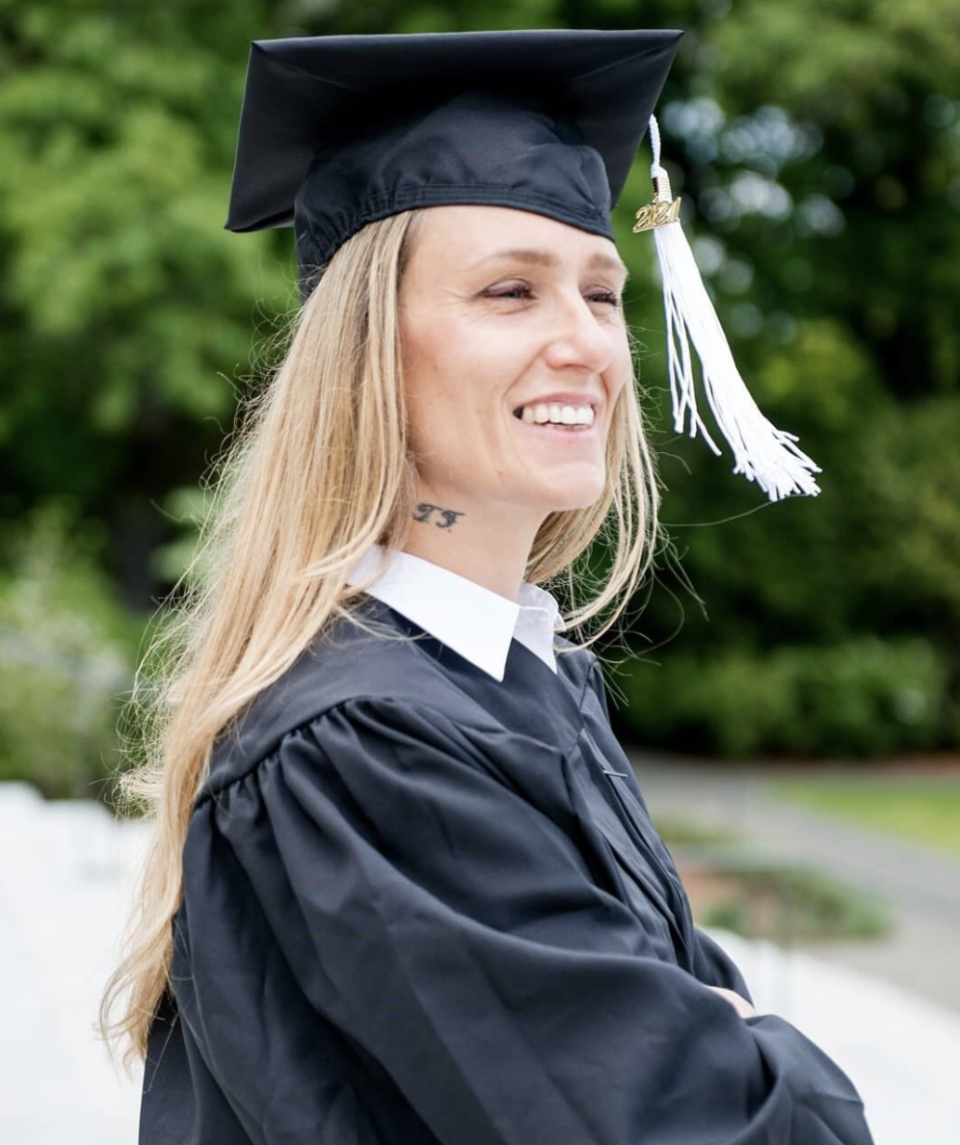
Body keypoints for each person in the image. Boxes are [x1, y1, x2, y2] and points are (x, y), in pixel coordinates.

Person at [101, 28, 875, 1144]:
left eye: (603, 296)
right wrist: (763, 1048)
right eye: (510, 291)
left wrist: (733, 1033)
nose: (586, 344)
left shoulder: (524, 682)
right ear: (370, 354)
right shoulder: (366, 739)